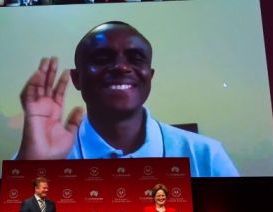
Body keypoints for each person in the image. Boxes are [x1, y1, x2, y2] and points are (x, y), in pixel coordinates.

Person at [15, 21, 239, 177]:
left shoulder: (207, 156)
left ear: (149, 77)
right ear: (77, 78)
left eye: (136, 58)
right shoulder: (39, 156)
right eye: (102, 58)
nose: (121, 67)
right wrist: (33, 169)